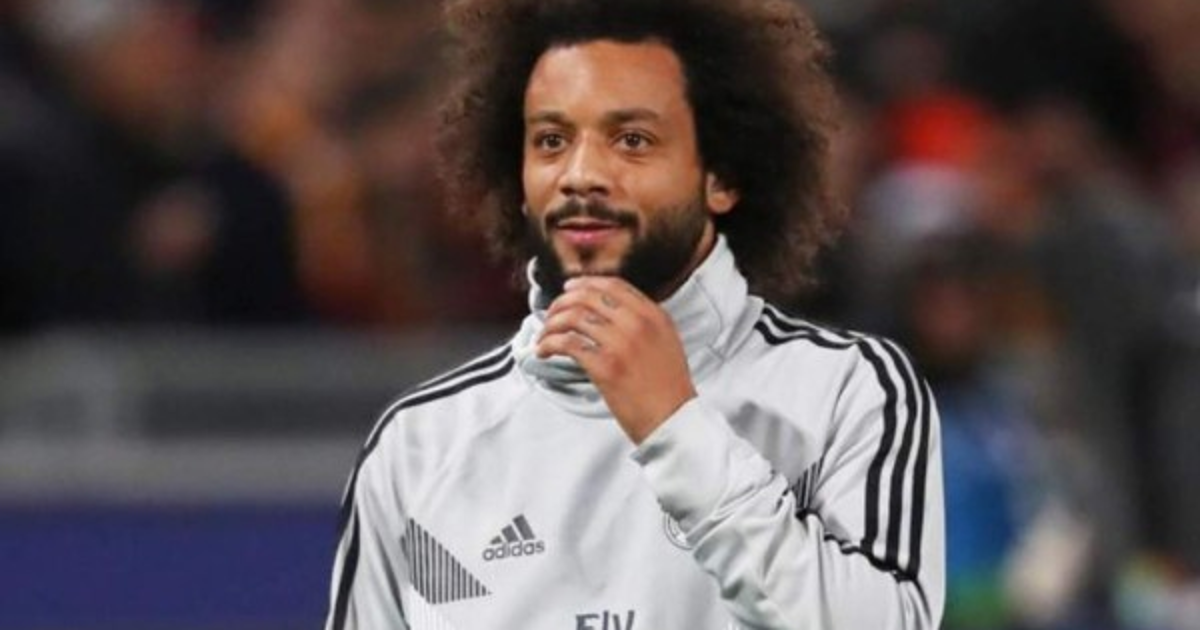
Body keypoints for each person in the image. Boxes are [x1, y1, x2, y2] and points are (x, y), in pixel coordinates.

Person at [325, 0, 944, 628]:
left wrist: (674, 426)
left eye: (632, 141)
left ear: (721, 177)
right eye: (551, 141)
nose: (581, 175)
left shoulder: (843, 391)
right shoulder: (420, 445)